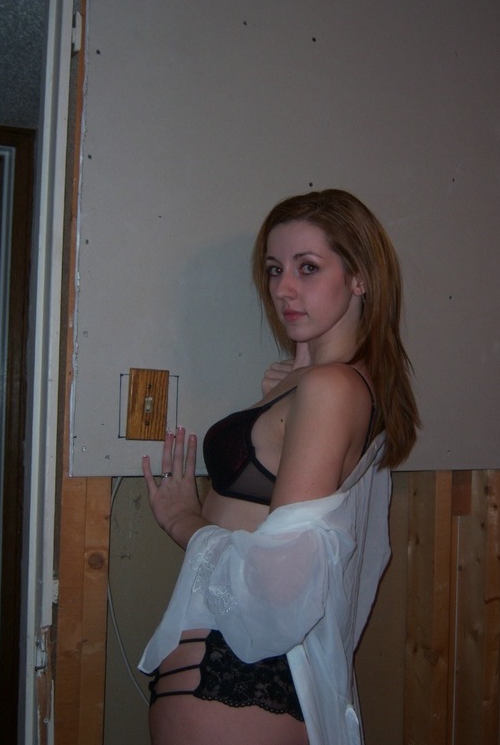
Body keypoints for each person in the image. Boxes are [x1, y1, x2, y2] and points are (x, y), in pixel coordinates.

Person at [138, 188, 420, 745]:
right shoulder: (316, 380)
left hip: (237, 680)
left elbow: (279, 585)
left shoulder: (331, 388)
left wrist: (183, 522)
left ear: (360, 277)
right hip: (228, 676)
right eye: (274, 270)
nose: (283, 288)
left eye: (307, 267)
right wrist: (293, 377)